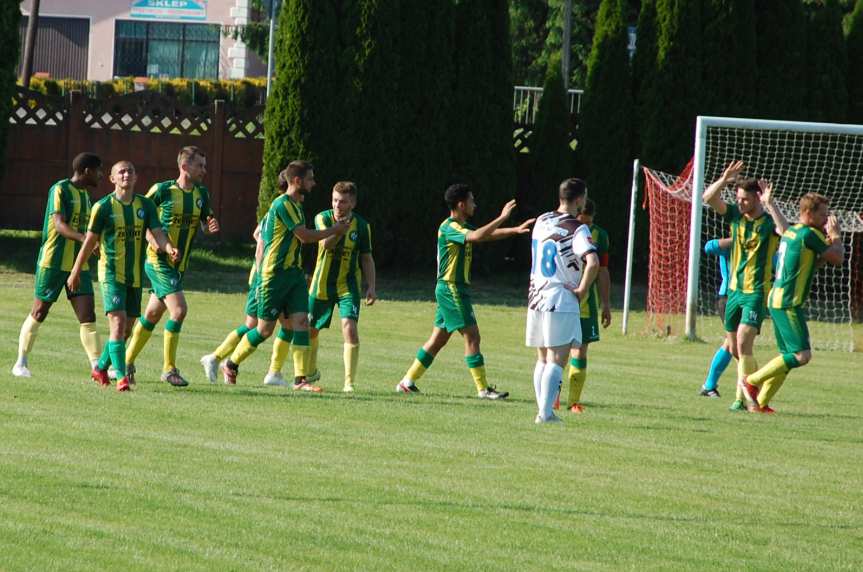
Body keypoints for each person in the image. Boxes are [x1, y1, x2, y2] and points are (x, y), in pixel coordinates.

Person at [395, 183, 534, 399]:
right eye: (472, 201)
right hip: (452, 289)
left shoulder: (460, 227)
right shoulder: (450, 227)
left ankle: (407, 382)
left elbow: (484, 235)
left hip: (451, 289)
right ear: (461, 204)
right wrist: (502, 217)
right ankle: (483, 389)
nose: (475, 204)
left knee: (438, 339)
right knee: (473, 336)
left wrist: (514, 230)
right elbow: (478, 236)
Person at [220, 161, 347, 387]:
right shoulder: (282, 205)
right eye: (310, 178)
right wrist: (335, 230)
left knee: (300, 322)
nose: (313, 183)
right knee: (263, 330)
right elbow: (304, 236)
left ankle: (300, 380)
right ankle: (230, 363)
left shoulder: (296, 205)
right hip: (273, 276)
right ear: (297, 181)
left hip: (294, 275)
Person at [67, 161, 178, 392]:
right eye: (121, 172)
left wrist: (169, 248)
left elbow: (157, 233)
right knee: (117, 325)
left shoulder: (145, 206)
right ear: (112, 178)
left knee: (126, 330)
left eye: (130, 171)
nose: (126, 174)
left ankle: (99, 369)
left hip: (135, 277)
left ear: (136, 177)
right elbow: (89, 242)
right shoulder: (103, 207)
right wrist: (76, 270)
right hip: (110, 275)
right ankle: (121, 377)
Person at [264, 181, 376, 392]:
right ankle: (309, 370)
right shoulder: (322, 218)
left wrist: (371, 286)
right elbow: (325, 244)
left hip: (347, 286)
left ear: (353, 202)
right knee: (310, 331)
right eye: (334, 200)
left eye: (342, 201)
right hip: (321, 285)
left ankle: (349, 384)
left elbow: (367, 257)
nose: (337, 205)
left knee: (350, 329)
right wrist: (339, 230)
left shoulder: (362, 226)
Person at [124, 146, 220, 387]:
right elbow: (140, 218)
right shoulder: (162, 190)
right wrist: (154, 242)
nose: (204, 171)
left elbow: (204, 225)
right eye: (200, 165)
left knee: (153, 314)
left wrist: (209, 228)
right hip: (158, 262)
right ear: (184, 166)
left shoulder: (201, 194)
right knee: (179, 310)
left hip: (179, 266)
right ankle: (169, 368)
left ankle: (124, 362)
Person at [741, 192, 844, 413]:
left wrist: (770, 204)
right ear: (809, 213)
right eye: (823, 214)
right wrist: (835, 236)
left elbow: (807, 263)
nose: (827, 219)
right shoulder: (808, 234)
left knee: (786, 356)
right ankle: (751, 381)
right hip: (788, 302)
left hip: (778, 300)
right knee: (801, 356)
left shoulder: (794, 231)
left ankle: (759, 404)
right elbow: (838, 258)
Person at [702, 161, 787, 412]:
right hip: (733, 293)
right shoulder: (735, 216)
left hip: (756, 293)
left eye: (746, 200)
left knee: (742, 343)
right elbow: (708, 198)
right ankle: (746, 396)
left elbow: (786, 231)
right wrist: (725, 178)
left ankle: (746, 398)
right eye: (738, 199)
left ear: (758, 199)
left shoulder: (769, 224)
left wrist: (772, 205)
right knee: (737, 348)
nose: (740, 203)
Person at [12, 153, 104, 378]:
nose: (101, 175)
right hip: (52, 262)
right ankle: (20, 363)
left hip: (78, 265)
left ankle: (97, 368)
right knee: (39, 311)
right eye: (98, 170)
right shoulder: (60, 189)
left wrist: (96, 244)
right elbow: (59, 224)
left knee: (88, 315)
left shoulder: (86, 197)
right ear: (86, 171)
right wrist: (84, 239)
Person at [527, 179, 599, 423]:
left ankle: (543, 410)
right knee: (557, 358)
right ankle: (545, 413)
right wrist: (581, 290)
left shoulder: (542, 220)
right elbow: (593, 262)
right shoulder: (578, 228)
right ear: (579, 199)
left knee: (542, 357)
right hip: (560, 297)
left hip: (536, 295)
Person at [560, 197, 610, 414]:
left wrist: (606, 303)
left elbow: (603, 270)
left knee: (580, 351)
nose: (585, 227)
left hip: (586, 303)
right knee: (558, 352)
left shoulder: (601, 236)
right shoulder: (562, 230)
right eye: (582, 222)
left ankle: (573, 402)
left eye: (589, 224)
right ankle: (552, 398)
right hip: (561, 299)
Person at [699, 237, 733, 398]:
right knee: (736, 343)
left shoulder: (758, 242)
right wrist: (737, 238)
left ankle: (709, 386)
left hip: (750, 298)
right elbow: (709, 247)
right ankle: (751, 386)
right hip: (728, 297)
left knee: (735, 344)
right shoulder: (731, 243)